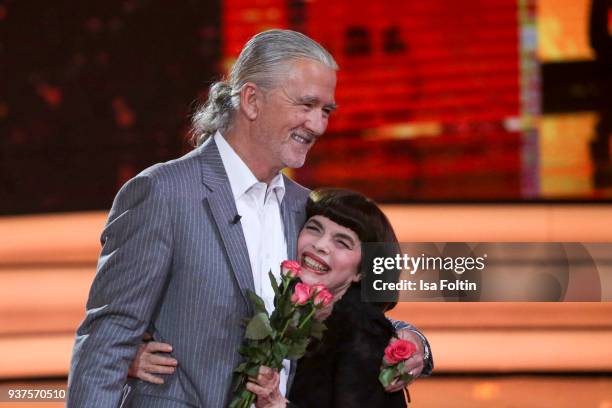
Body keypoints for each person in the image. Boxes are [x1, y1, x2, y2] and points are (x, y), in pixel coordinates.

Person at [67, 29, 431, 408]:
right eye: (305, 106)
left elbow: (351, 308)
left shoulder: (306, 211)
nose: (318, 125)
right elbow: (108, 339)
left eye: (325, 111)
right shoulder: (163, 193)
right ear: (252, 100)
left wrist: (413, 340)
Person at [132, 188, 422, 408]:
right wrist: (129, 356)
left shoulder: (364, 336)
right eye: (314, 229)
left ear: (361, 271)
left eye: (342, 242)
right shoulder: (281, 303)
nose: (320, 246)